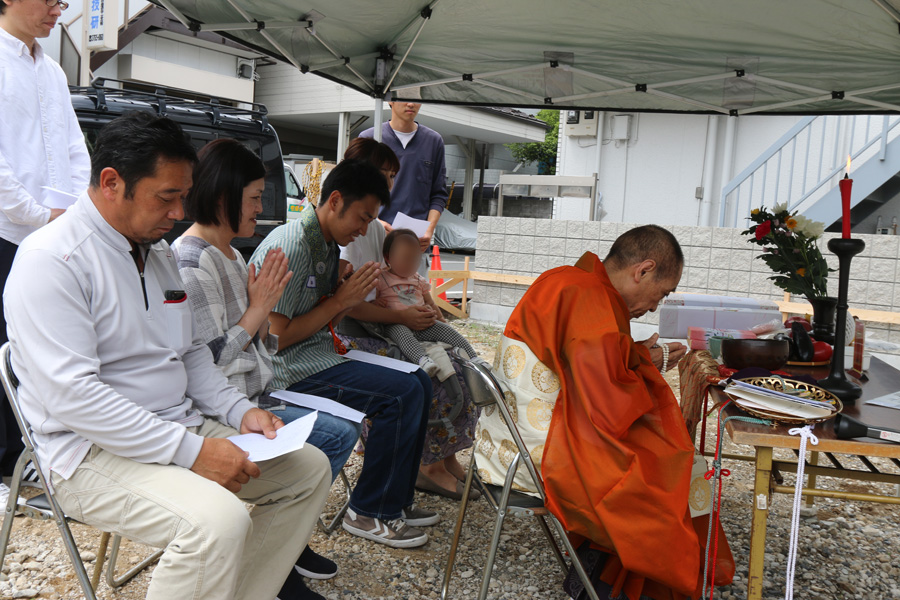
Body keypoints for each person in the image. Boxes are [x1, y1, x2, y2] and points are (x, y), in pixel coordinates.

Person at [3, 112, 332, 600]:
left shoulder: (154, 250)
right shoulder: (51, 261)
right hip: (87, 451)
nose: (179, 213)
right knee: (216, 523)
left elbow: (191, 352)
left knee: (308, 470)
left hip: (177, 425)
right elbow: (74, 399)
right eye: (167, 197)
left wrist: (240, 412)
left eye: (183, 195)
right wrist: (195, 453)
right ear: (112, 183)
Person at [474, 226, 718, 600]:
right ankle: (623, 587)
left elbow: (587, 368)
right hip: (541, 447)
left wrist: (636, 356)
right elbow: (609, 405)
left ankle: (603, 573)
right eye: (662, 293)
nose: (655, 306)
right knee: (675, 469)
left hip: (512, 432)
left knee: (668, 458)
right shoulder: (588, 297)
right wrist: (645, 366)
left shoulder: (570, 280)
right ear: (643, 270)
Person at [172, 138, 361, 598]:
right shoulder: (191, 260)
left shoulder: (233, 254)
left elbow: (261, 343)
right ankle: (280, 555)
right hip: (221, 410)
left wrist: (268, 316)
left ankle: (283, 542)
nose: (262, 207)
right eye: (255, 197)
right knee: (333, 436)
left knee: (341, 432)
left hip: (254, 396)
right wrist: (258, 312)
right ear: (224, 197)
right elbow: (204, 362)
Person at [249, 160, 436, 549]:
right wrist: (339, 301)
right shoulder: (292, 246)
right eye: (363, 216)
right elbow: (275, 340)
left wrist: (339, 289)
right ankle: (369, 510)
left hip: (317, 354)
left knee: (417, 379)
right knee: (400, 395)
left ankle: (394, 500)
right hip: (286, 369)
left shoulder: (324, 243)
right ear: (335, 200)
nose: (365, 229)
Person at [338, 138, 481, 501]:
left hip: (385, 323)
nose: (390, 183)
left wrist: (423, 307)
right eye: (384, 174)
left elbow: (407, 281)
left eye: (391, 175)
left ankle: (446, 456)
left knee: (460, 365)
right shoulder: (349, 231)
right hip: (360, 333)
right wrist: (402, 315)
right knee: (425, 376)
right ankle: (426, 463)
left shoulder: (374, 226)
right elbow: (349, 306)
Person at [0, 0, 90, 505]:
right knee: (4, 349)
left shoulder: (52, 70)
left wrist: (73, 215)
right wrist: (39, 216)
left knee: (47, 349)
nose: (61, 8)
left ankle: (38, 457)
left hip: (53, 235)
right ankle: (3, 465)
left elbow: (76, 150)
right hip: (8, 231)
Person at [373, 228, 490, 376]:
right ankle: (422, 360)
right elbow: (372, 302)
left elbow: (431, 302)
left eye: (414, 259)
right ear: (388, 258)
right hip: (396, 323)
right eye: (405, 258)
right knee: (403, 336)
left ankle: (474, 357)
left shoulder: (418, 279)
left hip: (423, 322)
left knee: (449, 332)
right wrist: (376, 303)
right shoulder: (382, 278)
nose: (410, 263)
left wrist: (441, 319)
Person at [358, 93, 447, 273]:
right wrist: (375, 222)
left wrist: (429, 230)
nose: (411, 104)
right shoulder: (370, 138)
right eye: (404, 97)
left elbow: (438, 194)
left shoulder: (434, 141)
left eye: (417, 98)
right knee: (375, 297)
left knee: (412, 296)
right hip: (376, 238)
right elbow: (357, 189)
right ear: (389, 100)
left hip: (415, 243)